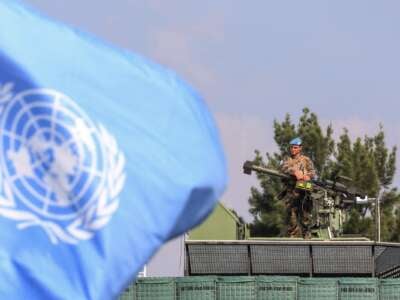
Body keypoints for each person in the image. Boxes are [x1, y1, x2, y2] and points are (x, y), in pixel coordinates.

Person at [280, 137, 316, 239]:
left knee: (306, 218)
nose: (293, 150)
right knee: (292, 220)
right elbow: (283, 168)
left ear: (300, 148)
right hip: (291, 194)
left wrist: (307, 176)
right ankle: (293, 240)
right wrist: (294, 172)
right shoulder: (286, 159)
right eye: (291, 147)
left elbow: (312, 172)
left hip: (304, 193)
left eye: (295, 147)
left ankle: (307, 239)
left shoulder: (306, 160)